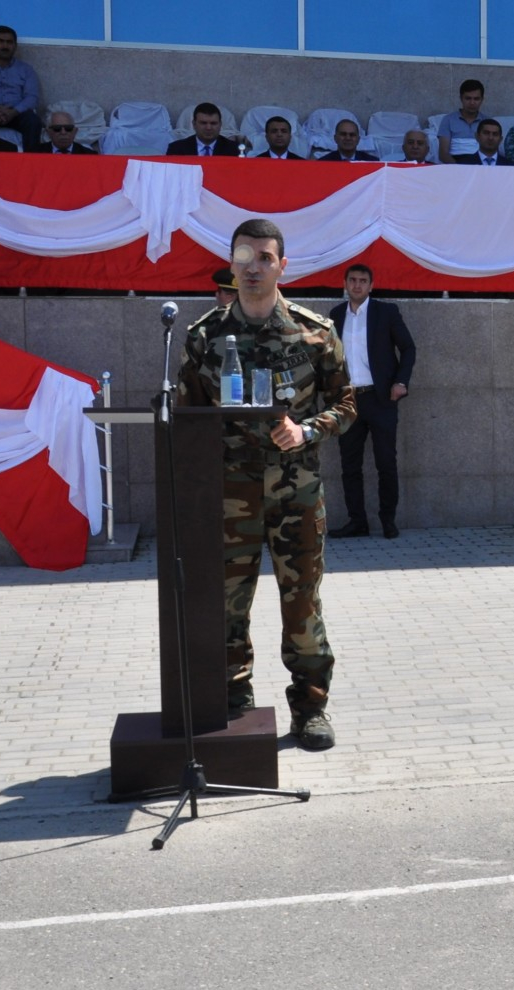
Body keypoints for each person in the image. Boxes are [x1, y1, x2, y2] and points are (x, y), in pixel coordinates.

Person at [176, 218, 356, 751]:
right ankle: (234, 704)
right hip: (228, 496)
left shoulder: (314, 332)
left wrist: (306, 430)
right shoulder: (204, 337)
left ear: (283, 266)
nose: (252, 267)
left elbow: (346, 405)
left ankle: (310, 708)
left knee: (302, 604)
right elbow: (187, 417)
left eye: (264, 258)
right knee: (227, 604)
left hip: (295, 495)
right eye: (243, 256)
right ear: (230, 264)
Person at [327, 264, 416, 540]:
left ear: (371, 285)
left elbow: (408, 348)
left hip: (380, 399)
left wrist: (401, 382)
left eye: (363, 281)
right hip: (348, 400)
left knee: (386, 462)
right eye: (352, 280)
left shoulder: (386, 312)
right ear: (345, 284)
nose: (357, 285)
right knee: (349, 465)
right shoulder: (336, 315)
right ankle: (357, 522)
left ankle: (388, 520)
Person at [166, 102, 244, 156]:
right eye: (203, 123)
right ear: (194, 124)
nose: (208, 128)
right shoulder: (176, 149)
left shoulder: (235, 150)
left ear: (220, 124)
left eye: (213, 123)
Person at [437, 78, 485, 164]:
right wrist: (459, 169)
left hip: (480, 166)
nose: (472, 102)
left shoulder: (487, 122)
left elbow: (491, 152)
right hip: (455, 165)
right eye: (468, 98)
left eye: (476, 99)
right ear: (461, 98)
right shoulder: (448, 120)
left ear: (482, 100)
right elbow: (443, 154)